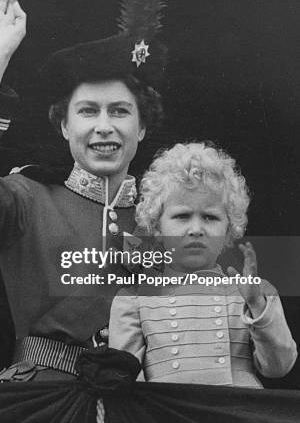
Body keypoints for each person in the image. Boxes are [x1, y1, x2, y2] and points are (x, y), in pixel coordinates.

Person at [0, 0, 172, 381]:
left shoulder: (169, 215)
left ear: (143, 126)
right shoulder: (27, 200)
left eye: (119, 111)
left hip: (144, 402)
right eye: (87, 112)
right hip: (45, 398)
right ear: (63, 125)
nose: (103, 128)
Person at [109, 143, 297, 387]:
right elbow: (128, 386)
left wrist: (256, 305)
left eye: (210, 217)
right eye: (182, 216)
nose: (196, 229)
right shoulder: (134, 299)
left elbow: (278, 367)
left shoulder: (251, 292)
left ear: (228, 228)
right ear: (157, 226)